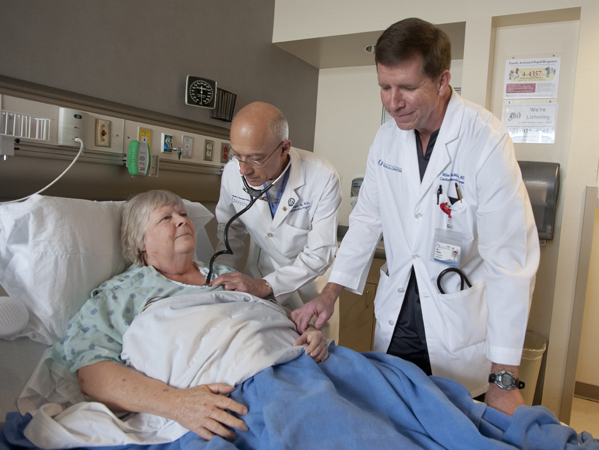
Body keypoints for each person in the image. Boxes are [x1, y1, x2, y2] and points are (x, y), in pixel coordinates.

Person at [292, 18, 540, 416]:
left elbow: (510, 261)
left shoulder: (485, 139)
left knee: (455, 424)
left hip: (455, 321)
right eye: (384, 87)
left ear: (442, 81)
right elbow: (366, 222)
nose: (393, 102)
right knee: (392, 420)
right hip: (398, 316)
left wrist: (504, 377)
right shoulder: (386, 139)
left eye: (407, 87)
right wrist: (329, 294)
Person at [47, 190, 329, 441]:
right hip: (246, 393)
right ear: (141, 241)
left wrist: (310, 333)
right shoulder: (121, 294)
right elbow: (92, 375)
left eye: (183, 214)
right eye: (165, 218)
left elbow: (276, 319)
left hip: (300, 368)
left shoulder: (228, 277)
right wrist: (177, 404)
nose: (182, 220)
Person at [210, 102, 342, 340]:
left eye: (255, 159)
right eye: (237, 155)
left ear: (285, 148)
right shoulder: (233, 172)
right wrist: (222, 280)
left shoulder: (322, 177)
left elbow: (319, 254)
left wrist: (265, 286)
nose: (243, 169)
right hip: (259, 271)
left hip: (308, 284)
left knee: (314, 353)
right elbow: (230, 232)